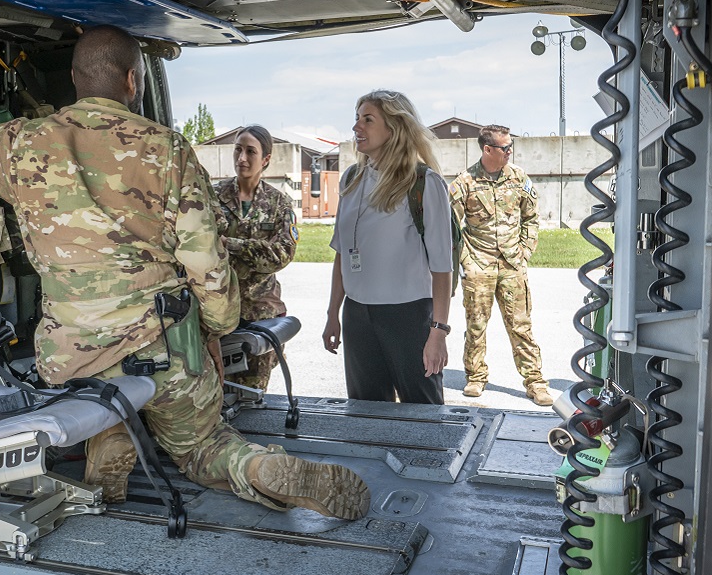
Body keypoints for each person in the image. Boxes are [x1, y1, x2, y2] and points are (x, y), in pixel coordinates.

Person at [0, 25, 369, 520]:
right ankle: (254, 469)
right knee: (203, 446)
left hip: (75, 354)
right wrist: (219, 325)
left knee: (98, 398)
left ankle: (111, 434)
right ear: (133, 80)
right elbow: (205, 259)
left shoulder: (18, 144)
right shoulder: (166, 148)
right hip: (163, 345)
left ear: (75, 78)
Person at [322, 90, 452, 404]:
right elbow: (342, 254)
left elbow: (442, 267)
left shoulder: (424, 183)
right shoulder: (351, 178)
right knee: (365, 411)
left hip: (408, 317)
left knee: (423, 414)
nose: (357, 127)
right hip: (357, 316)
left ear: (393, 129)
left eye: (368, 119)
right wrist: (332, 314)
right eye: (357, 119)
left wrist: (438, 332)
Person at [449, 125, 553, 406]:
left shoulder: (519, 178)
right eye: (505, 148)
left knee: (521, 325)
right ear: (487, 149)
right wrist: (463, 261)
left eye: (511, 147)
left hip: (512, 264)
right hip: (478, 264)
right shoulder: (464, 183)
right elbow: (449, 228)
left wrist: (524, 252)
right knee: (476, 325)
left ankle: (535, 382)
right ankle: (476, 377)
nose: (510, 152)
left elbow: (531, 218)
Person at [213, 126, 297, 392]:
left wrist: (231, 244)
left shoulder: (278, 203)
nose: (242, 158)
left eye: (251, 151)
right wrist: (257, 249)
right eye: (238, 149)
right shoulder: (212, 198)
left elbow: (281, 256)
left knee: (254, 397)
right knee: (216, 396)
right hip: (217, 314)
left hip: (260, 316)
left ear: (266, 159)